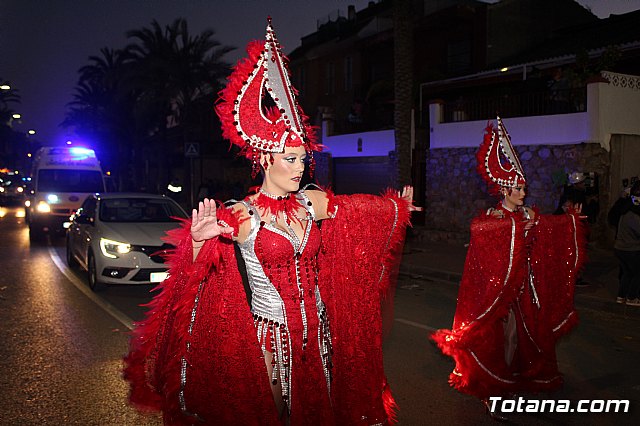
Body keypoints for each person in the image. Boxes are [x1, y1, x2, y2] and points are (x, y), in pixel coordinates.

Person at [124, 18, 419, 426]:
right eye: (290, 159)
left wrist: (395, 209)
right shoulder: (244, 214)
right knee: (276, 415)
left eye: (303, 159)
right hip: (271, 340)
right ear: (265, 159)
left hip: (319, 337)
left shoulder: (311, 201)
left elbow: (354, 210)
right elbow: (195, 285)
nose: (299, 167)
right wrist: (197, 243)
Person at [432, 117, 587, 420]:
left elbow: (547, 229)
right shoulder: (494, 217)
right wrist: (516, 230)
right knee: (507, 340)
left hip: (524, 291)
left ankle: (510, 383)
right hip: (499, 293)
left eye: (523, 187)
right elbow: (481, 233)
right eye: (518, 188)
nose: (523, 192)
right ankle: (494, 392)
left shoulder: (527, 213)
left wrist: (570, 222)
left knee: (529, 339)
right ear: (504, 189)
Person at [613, 181, 640, 306]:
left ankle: (621, 296)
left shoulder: (624, 212)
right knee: (636, 274)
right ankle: (631, 297)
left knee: (627, 273)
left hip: (620, 248)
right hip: (630, 249)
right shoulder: (633, 215)